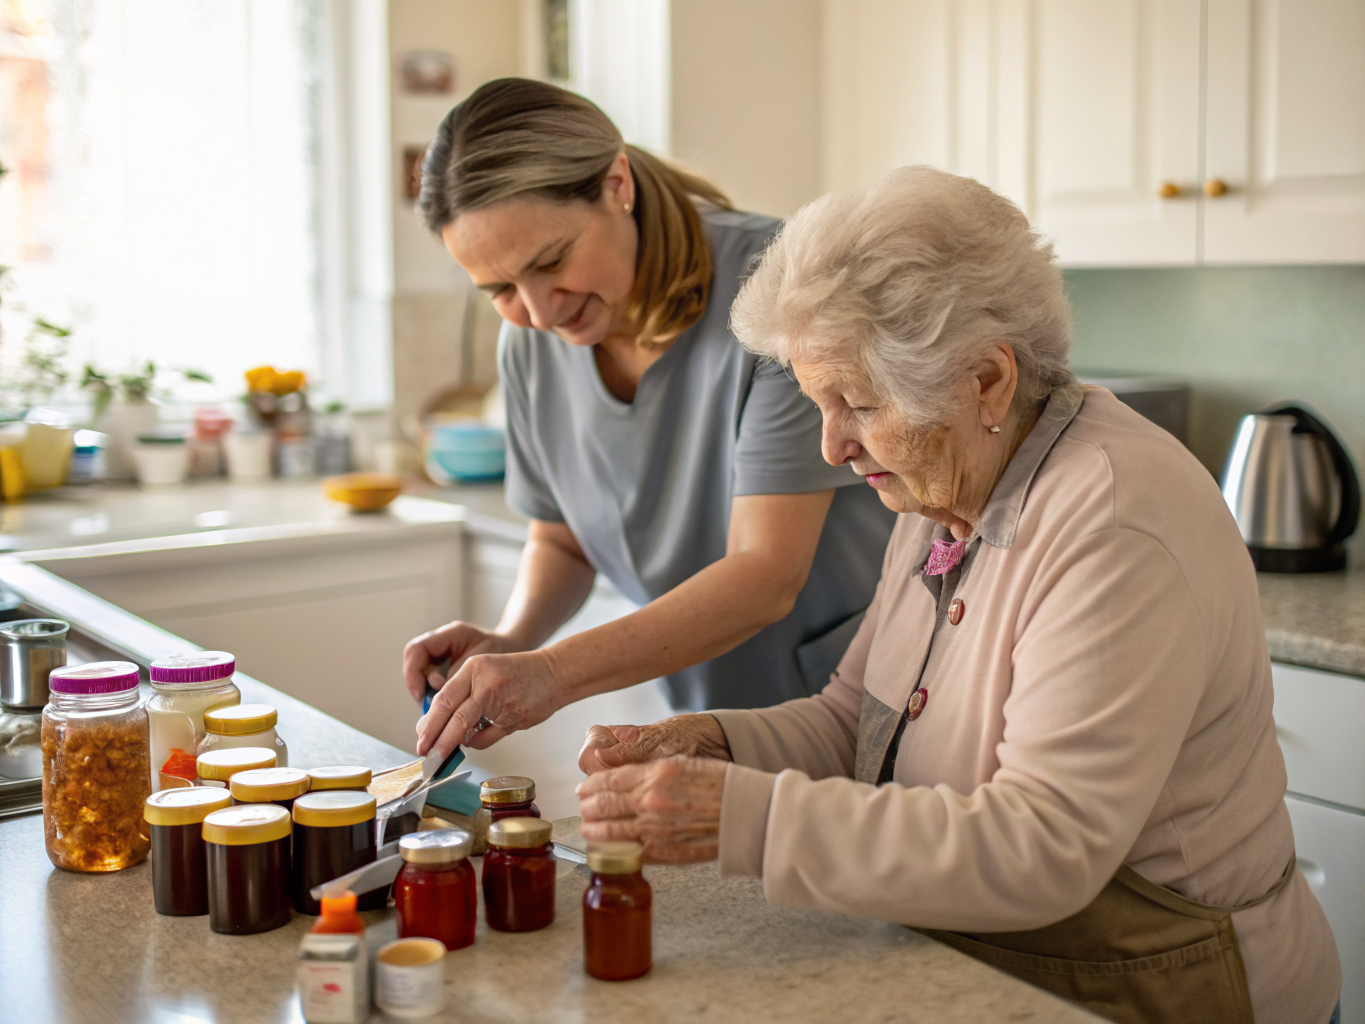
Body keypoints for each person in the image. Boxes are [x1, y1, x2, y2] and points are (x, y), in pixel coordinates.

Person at [576, 166, 1341, 1024]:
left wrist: (746, 818)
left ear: (986, 380)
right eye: (816, 404)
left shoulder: (1114, 521)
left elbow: (1044, 847)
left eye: (856, 404)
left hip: (1165, 985)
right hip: (1001, 967)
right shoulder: (948, 481)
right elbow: (853, 721)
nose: (832, 446)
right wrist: (715, 746)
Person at [405, 78, 895, 759]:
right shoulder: (528, 343)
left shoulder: (782, 289)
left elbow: (764, 574)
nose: (540, 312)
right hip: (709, 705)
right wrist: (513, 640)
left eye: (549, 261)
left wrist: (550, 675)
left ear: (616, 185)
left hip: (864, 698)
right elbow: (562, 540)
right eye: (499, 290)